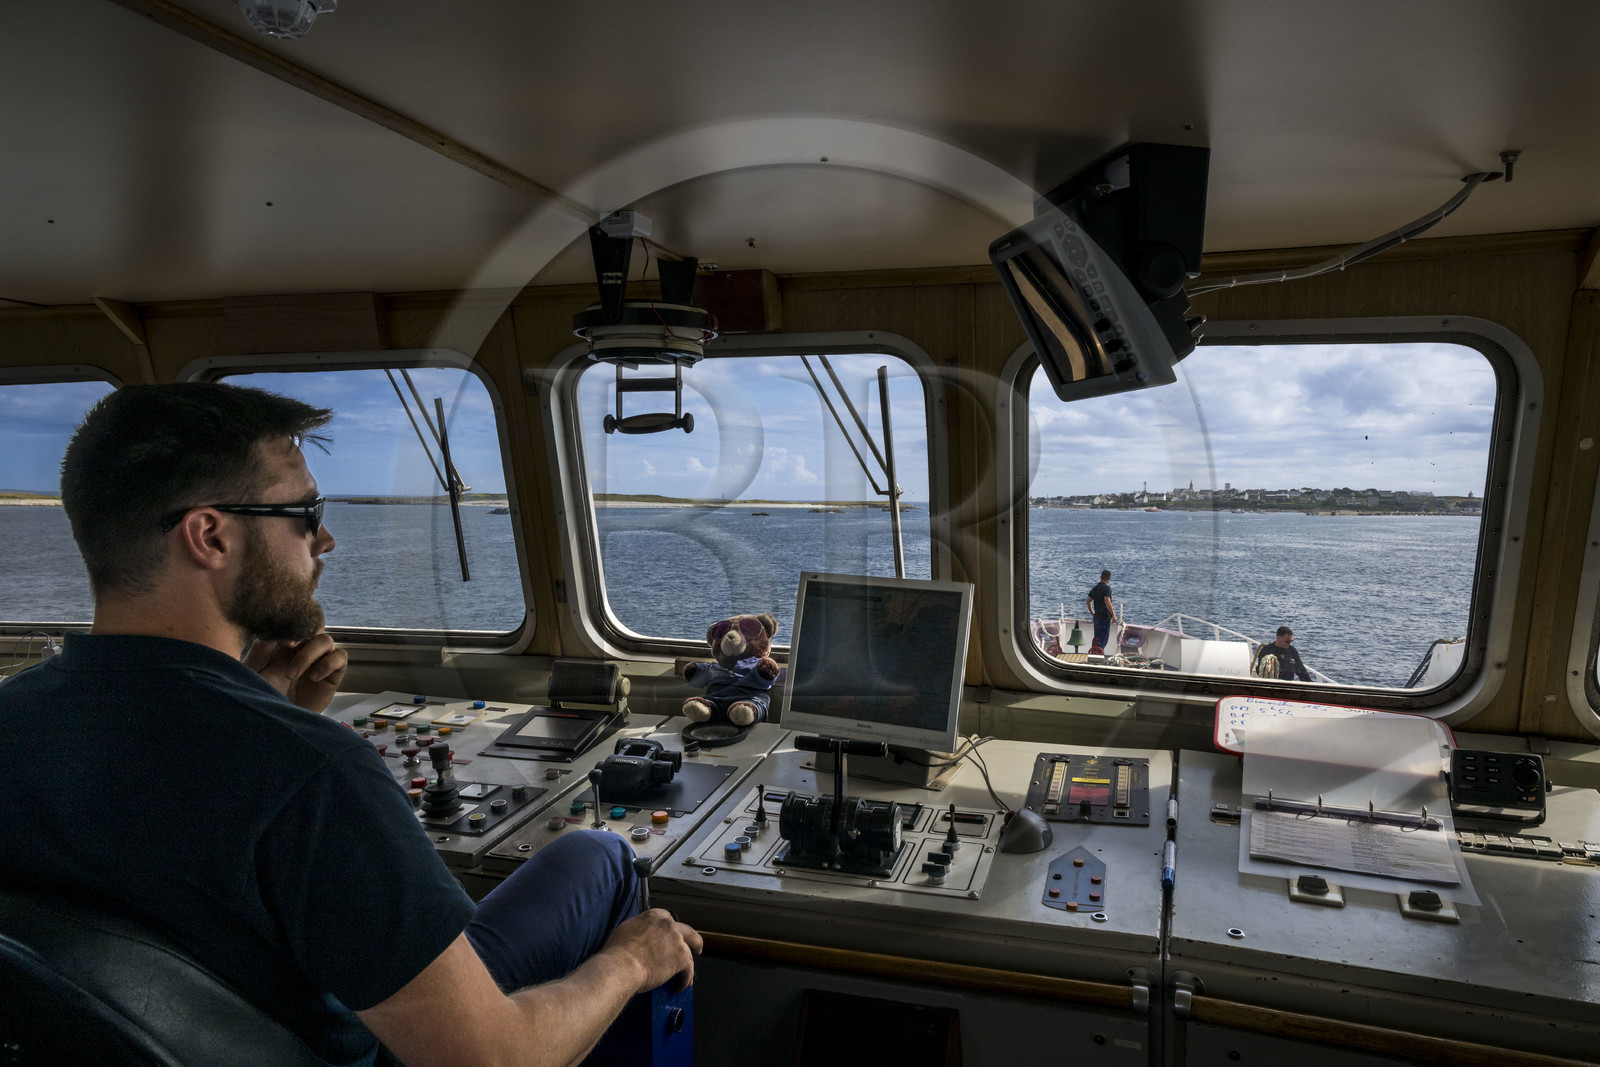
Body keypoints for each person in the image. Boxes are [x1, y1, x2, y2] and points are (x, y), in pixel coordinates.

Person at [0, 382, 700, 1067]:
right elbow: (492, 1056)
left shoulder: (16, 716)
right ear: (209, 534)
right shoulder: (308, 772)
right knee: (601, 856)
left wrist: (265, 702)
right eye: (305, 511)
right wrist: (628, 961)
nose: (326, 537)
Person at [1085, 569, 1116, 654]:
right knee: (1103, 639)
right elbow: (1107, 602)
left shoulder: (1095, 588)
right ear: (1109, 579)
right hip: (1104, 618)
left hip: (1097, 617)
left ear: (1100, 577)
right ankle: (1098, 655)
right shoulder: (1106, 588)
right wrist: (1114, 615)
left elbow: (1088, 601)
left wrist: (1092, 612)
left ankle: (1093, 653)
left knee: (1096, 637)